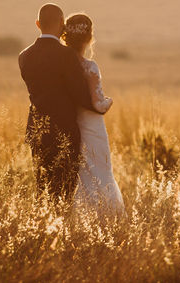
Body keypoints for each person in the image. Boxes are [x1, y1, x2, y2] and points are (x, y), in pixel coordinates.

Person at [18, 3, 105, 201]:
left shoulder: (24, 56)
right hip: (63, 131)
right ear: (61, 23)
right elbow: (80, 96)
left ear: (38, 24)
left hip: (37, 130)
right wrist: (99, 105)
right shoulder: (66, 55)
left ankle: (44, 226)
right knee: (64, 191)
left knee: (43, 189)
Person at [62, 12, 125, 216]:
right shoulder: (90, 67)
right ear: (90, 38)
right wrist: (110, 101)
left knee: (81, 175)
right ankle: (106, 216)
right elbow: (98, 105)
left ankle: (81, 216)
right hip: (92, 128)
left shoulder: (62, 68)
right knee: (100, 172)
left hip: (71, 125)